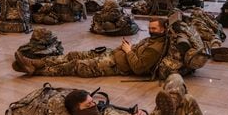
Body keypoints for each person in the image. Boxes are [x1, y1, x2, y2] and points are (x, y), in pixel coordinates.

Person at [67, 73, 211, 115]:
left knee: (175, 78)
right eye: (88, 104)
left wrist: (141, 113)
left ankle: (170, 107)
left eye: (93, 101)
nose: (94, 105)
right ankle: (170, 107)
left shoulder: (105, 110)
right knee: (187, 100)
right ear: (77, 112)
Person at [13, 18, 167, 77]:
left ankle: (38, 71)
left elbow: (138, 68)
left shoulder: (155, 48)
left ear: (163, 30)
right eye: (150, 28)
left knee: (75, 65)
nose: (150, 31)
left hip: (116, 65)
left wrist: (128, 51)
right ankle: (34, 63)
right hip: (112, 54)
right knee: (74, 55)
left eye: (154, 29)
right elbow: (138, 51)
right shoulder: (152, 40)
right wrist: (130, 47)